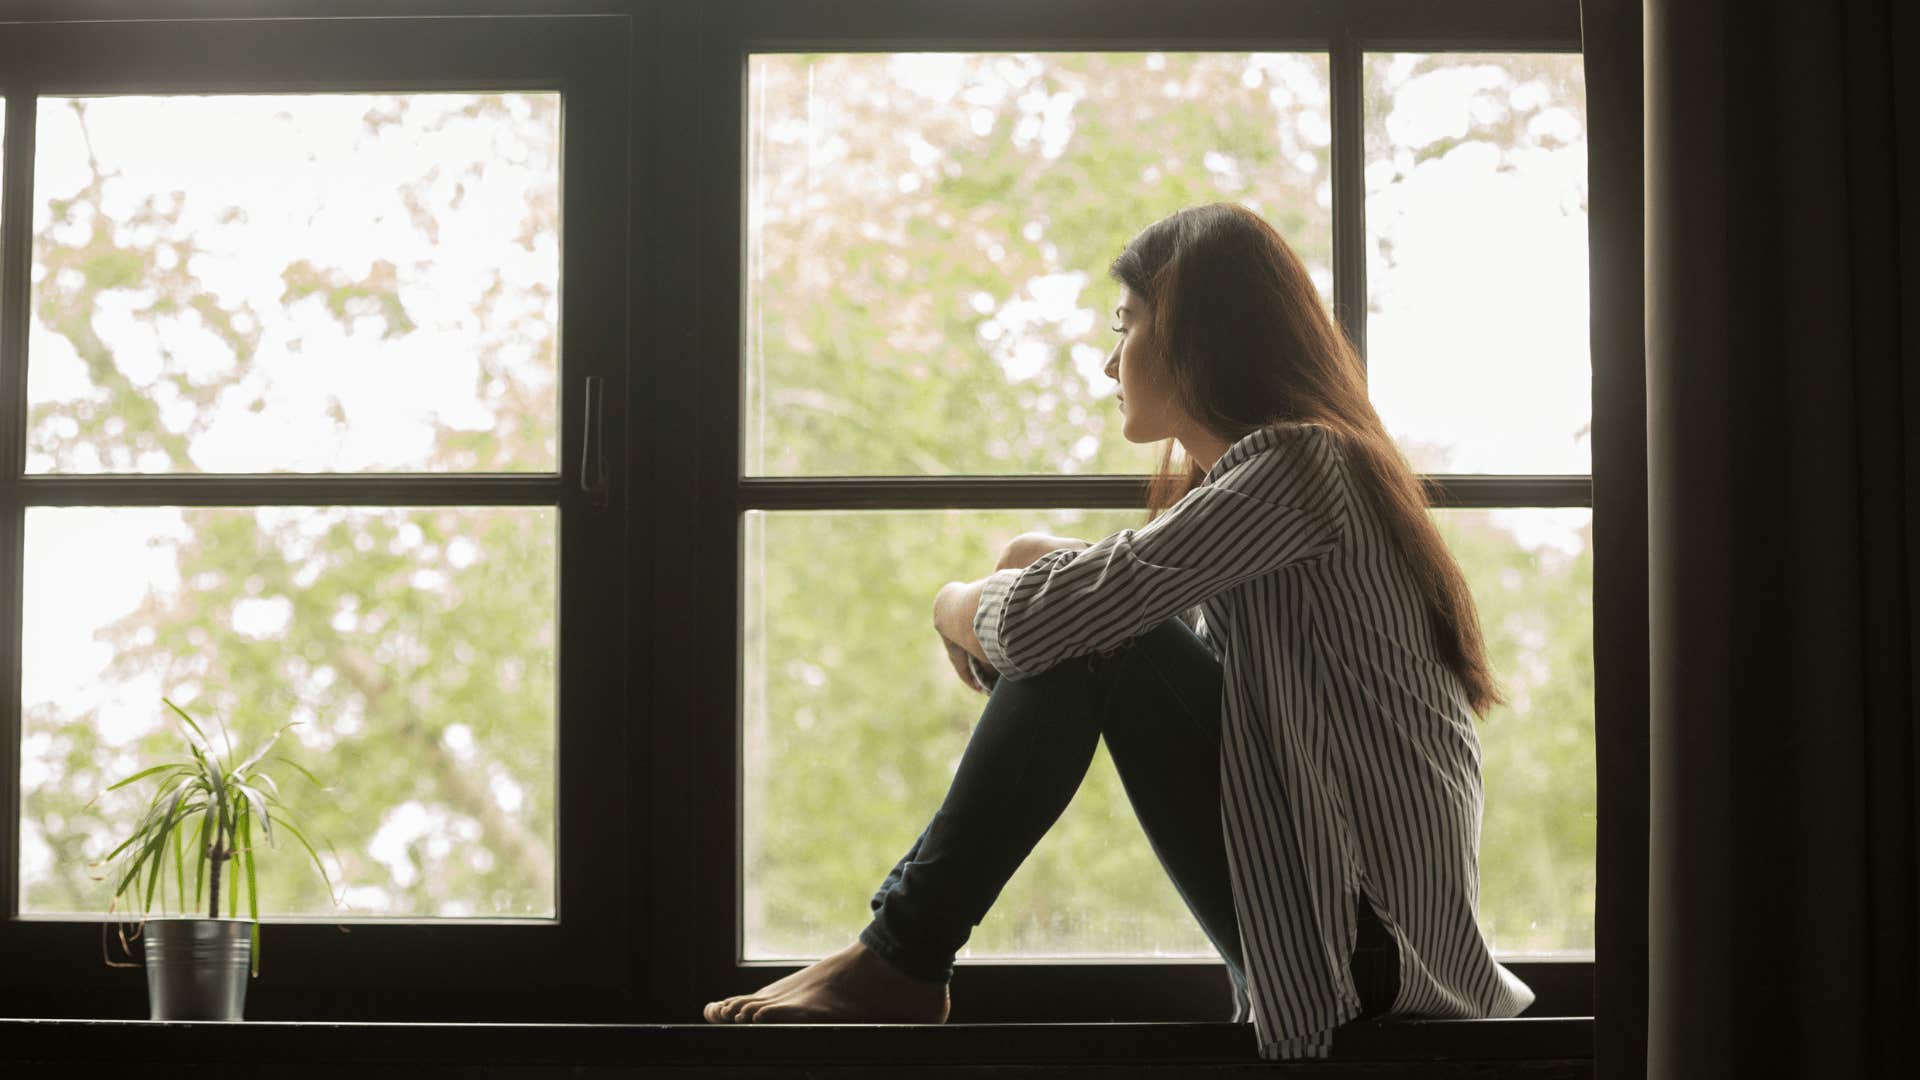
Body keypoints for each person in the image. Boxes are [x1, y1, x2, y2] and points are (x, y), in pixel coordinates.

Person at [702, 202, 1536, 1059]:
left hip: (1368, 961)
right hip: (1352, 949)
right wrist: (1029, 563)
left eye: (1126, 324)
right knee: (1087, 618)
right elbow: (1117, 615)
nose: (1108, 362)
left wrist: (956, 601)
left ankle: (902, 957)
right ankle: (897, 957)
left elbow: (1055, 624)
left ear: (1195, 333)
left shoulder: (1300, 465)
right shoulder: (1302, 479)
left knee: (1095, 631)